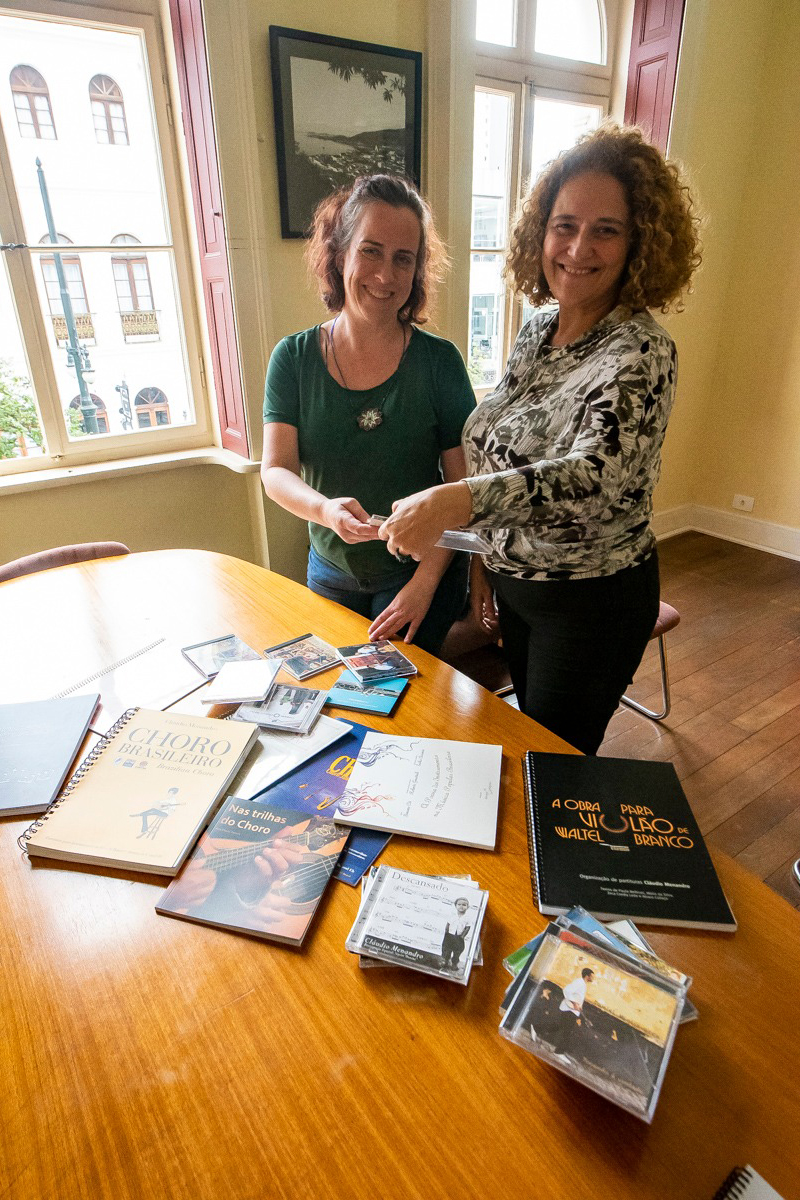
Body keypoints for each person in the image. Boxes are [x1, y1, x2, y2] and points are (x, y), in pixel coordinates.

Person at [379, 125, 702, 753]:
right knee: (530, 740)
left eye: (606, 229)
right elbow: (505, 443)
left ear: (639, 243)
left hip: (590, 603)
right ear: (540, 232)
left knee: (554, 765)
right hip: (519, 590)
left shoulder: (642, 351)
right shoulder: (539, 330)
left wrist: (458, 501)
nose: (579, 247)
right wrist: (482, 556)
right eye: (565, 224)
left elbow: (593, 479)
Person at [261, 174, 476, 656]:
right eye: (371, 251)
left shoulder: (439, 363)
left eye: (405, 259)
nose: (386, 276)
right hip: (329, 575)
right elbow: (275, 472)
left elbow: (462, 494)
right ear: (340, 256)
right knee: (338, 703)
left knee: (397, 709)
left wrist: (425, 585)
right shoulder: (292, 359)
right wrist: (324, 510)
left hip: (423, 573)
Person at [552, 967, 595, 1062]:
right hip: (569, 1010)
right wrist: (575, 1003)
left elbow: (577, 996)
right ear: (587, 976)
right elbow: (566, 990)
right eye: (592, 976)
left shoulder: (583, 984)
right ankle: (559, 1052)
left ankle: (537, 1028)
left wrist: (579, 1005)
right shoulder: (579, 982)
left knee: (562, 1028)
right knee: (567, 1032)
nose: (593, 978)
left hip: (572, 1011)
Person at [441, 896, 472, 971]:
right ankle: (446, 961)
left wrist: (462, 936)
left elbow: (467, 928)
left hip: (458, 937)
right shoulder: (452, 915)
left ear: (467, 907)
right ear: (456, 906)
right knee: (447, 950)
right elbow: (448, 924)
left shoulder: (467, 918)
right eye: (459, 904)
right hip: (449, 936)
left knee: (457, 951)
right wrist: (446, 933)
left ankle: (454, 964)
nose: (461, 906)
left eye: (464, 905)